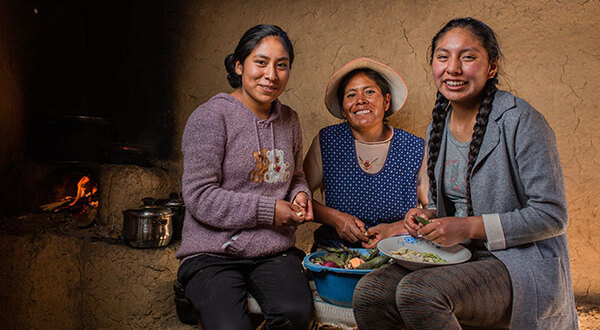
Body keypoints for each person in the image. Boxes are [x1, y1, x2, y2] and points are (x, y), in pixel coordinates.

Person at [353, 17, 578, 329]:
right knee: (370, 292)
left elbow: (552, 215)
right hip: (457, 256)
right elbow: (448, 204)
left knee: (419, 292)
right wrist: (428, 217)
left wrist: (468, 227)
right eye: (443, 57)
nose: (453, 68)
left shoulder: (521, 122)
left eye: (468, 57)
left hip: (517, 265)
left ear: (492, 67)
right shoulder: (438, 126)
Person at [175, 24, 314, 330]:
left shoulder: (289, 119)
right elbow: (199, 197)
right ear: (239, 66)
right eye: (260, 62)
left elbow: (296, 176)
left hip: (273, 250)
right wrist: (268, 210)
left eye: (282, 65)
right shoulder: (211, 117)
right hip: (212, 252)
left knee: (295, 314)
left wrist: (299, 195)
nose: (271, 75)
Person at [303, 57, 428, 250]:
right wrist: (337, 219)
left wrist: (395, 228)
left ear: (386, 102)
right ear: (343, 109)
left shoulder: (414, 147)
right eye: (351, 95)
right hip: (336, 252)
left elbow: (433, 210)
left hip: (398, 251)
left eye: (369, 92)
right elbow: (299, 196)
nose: (360, 100)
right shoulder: (327, 141)